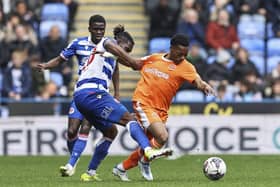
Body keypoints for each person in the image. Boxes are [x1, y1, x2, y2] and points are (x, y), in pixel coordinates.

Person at [60, 25, 173, 182]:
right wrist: (133, 62)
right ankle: (148, 149)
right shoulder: (107, 42)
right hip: (93, 93)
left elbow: (116, 66)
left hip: (83, 97)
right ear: (119, 42)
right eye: (127, 49)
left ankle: (79, 169)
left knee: (109, 131)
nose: (126, 53)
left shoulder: (109, 55)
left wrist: (117, 93)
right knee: (129, 119)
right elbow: (122, 55)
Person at [111, 34, 215, 181]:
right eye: (179, 54)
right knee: (162, 136)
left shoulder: (186, 66)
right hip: (143, 102)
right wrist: (113, 55)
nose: (182, 58)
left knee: (149, 145)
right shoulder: (154, 58)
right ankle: (145, 162)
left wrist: (203, 85)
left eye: (185, 55)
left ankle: (121, 168)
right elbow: (134, 64)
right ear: (171, 48)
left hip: (161, 110)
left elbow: (197, 80)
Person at [36, 15, 120, 164]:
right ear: (89, 29)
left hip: (99, 94)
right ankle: (73, 156)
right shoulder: (78, 43)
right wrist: (46, 65)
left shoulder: (110, 44)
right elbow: (61, 59)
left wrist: (117, 92)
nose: (99, 32)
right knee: (71, 131)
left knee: (87, 127)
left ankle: (74, 164)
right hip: (81, 92)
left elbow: (116, 68)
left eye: (102, 29)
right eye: (96, 29)